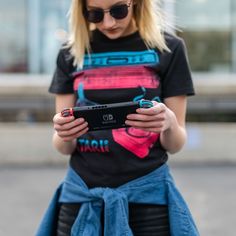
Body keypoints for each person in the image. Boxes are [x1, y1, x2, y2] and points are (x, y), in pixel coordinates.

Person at [36, 0, 199, 235]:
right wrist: (64, 132)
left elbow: (175, 144)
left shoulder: (169, 48)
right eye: (95, 14)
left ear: (138, 4)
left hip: (147, 199)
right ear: (83, 12)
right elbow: (63, 146)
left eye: (118, 10)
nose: (109, 22)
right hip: (82, 197)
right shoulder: (71, 53)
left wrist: (169, 123)